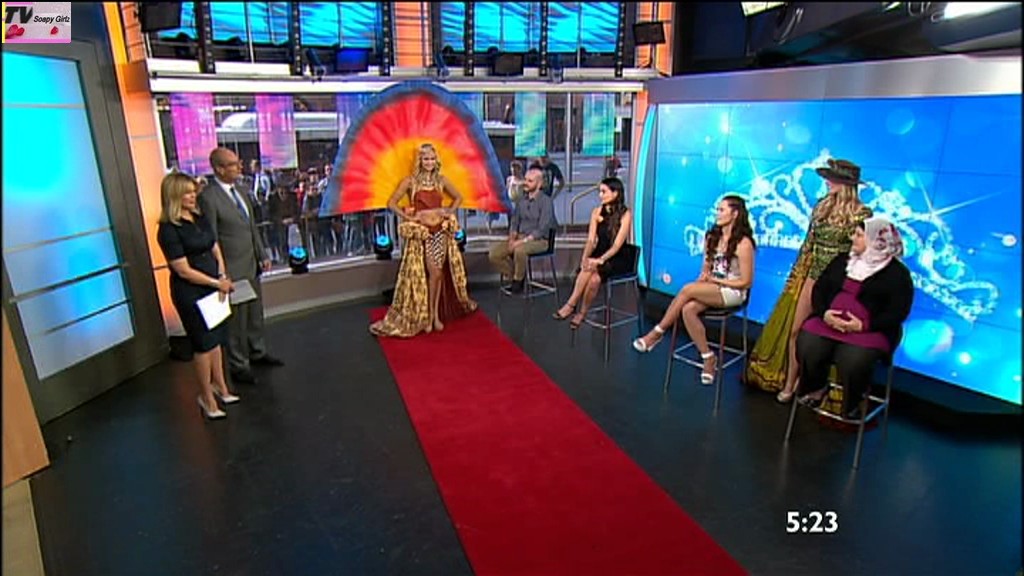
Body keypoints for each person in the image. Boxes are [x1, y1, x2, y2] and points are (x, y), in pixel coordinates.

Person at [744, 158, 873, 403]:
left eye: (831, 178)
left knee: (828, 336)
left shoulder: (862, 214)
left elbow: (860, 253)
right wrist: (797, 275)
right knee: (796, 330)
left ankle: (815, 385)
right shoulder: (821, 206)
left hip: (840, 284)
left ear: (846, 184)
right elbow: (808, 243)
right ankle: (790, 382)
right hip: (812, 276)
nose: (826, 182)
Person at [794, 216, 913, 419]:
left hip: (869, 331)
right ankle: (816, 388)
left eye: (858, 235)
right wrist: (824, 313)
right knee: (808, 345)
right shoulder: (842, 261)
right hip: (829, 322)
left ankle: (852, 403)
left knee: (852, 360)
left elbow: (898, 312)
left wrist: (863, 325)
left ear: (875, 241)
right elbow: (820, 289)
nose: (852, 238)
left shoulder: (898, 274)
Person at [633, 196, 756, 385]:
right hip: (712, 287)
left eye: (722, 210)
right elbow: (705, 270)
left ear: (735, 214)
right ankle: (708, 357)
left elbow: (746, 282)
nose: (717, 213)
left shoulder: (744, 244)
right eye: (717, 209)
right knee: (688, 309)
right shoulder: (711, 237)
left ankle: (657, 333)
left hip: (733, 292)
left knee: (687, 289)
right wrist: (703, 281)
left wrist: (713, 281)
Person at [370, 143, 477, 337]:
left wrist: (448, 212)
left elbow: (458, 198)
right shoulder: (410, 182)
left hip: (440, 232)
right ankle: (426, 316)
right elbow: (392, 203)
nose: (429, 162)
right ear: (420, 161)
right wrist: (409, 217)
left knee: (437, 274)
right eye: (426, 159)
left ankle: (434, 316)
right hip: (423, 234)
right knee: (431, 272)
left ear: (436, 161)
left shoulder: (441, 180)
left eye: (432, 159)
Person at [198, 147, 285, 385]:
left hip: (251, 264)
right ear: (219, 169)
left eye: (238, 163)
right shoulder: (209, 197)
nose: (239, 167)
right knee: (236, 320)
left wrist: (262, 254)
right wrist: (221, 272)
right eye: (234, 164)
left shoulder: (242, 192)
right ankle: (239, 365)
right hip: (231, 268)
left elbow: (251, 228)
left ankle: (258, 351)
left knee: (255, 313)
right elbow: (212, 238)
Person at [156, 172, 239, 420]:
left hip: (215, 286)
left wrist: (222, 275)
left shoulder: (198, 218)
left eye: (193, 192)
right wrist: (217, 282)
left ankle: (221, 387)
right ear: (174, 196)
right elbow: (183, 270)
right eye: (188, 193)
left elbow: (214, 247)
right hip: (191, 292)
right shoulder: (169, 230)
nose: (193, 196)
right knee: (203, 344)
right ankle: (206, 398)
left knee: (217, 339)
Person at [552, 177, 633, 329]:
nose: (600, 195)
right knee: (593, 277)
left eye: (604, 192)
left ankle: (571, 305)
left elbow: (617, 245)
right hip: (599, 252)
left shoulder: (626, 214)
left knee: (592, 268)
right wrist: (585, 257)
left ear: (615, 193)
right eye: (599, 192)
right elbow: (590, 240)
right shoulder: (596, 212)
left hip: (617, 257)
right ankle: (580, 311)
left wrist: (600, 260)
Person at [488, 167, 556, 294]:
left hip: (539, 240)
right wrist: (512, 237)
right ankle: (517, 275)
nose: (525, 183)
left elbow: (542, 229)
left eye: (530, 181)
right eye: (525, 180)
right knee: (494, 254)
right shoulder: (521, 200)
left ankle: (518, 280)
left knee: (520, 250)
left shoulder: (546, 202)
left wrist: (522, 242)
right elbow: (515, 221)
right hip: (519, 237)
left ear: (539, 184)